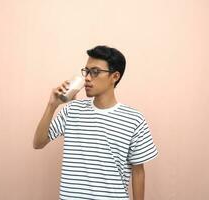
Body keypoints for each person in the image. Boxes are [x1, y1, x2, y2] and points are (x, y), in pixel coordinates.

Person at [33, 45, 158, 200]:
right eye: (86, 71)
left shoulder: (134, 120)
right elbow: (38, 143)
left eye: (95, 72)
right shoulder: (71, 110)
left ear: (115, 77)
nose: (87, 78)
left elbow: (138, 172)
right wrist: (52, 105)